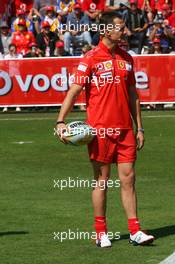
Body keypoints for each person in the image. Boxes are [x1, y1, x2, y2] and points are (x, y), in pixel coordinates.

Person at [56, 11, 155, 247]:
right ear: (106, 30)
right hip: (99, 131)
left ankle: (135, 230)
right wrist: (60, 121)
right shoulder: (90, 58)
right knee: (102, 180)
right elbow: (74, 91)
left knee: (128, 179)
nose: (125, 31)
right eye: (120, 27)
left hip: (125, 131)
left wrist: (139, 127)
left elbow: (133, 95)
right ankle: (100, 232)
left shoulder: (127, 58)